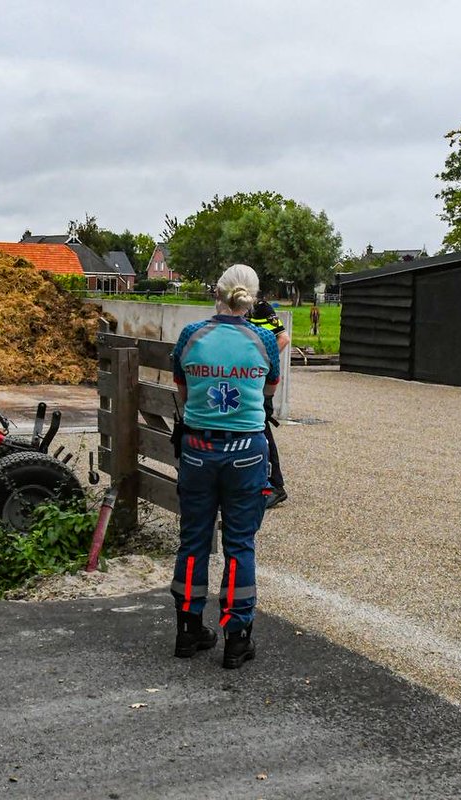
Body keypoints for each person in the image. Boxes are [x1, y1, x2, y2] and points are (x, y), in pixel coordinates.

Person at [170, 264, 280, 669]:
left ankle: (188, 629)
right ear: (253, 296)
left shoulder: (190, 336)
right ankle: (237, 638)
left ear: (216, 292)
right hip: (247, 451)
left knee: (193, 540)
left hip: (198, 449)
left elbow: (181, 388)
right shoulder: (265, 339)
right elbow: (269, 389)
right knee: (239, 544)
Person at [245, 293, 291, 508]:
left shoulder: (260, 308)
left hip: (258, 380)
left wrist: (263, 361)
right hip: (243, 380)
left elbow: (283, 338)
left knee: (262, 430)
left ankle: (275, 485)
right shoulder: (232, 308)